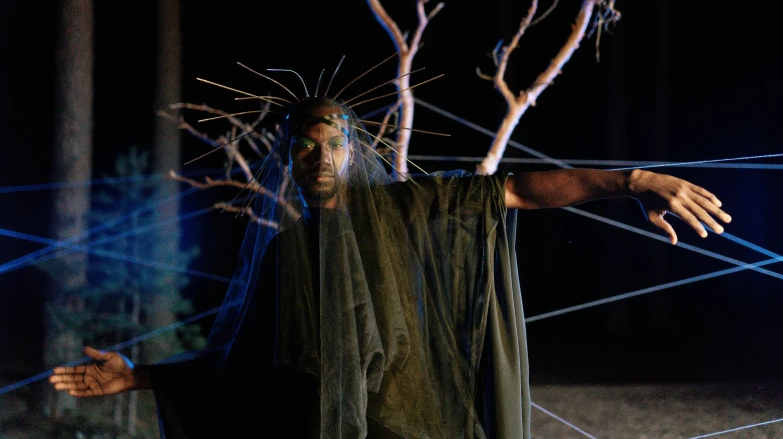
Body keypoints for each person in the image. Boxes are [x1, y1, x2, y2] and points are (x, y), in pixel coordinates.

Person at [49, 96, 730, 438]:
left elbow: (518, 190)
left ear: (350, 151)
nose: (317, 160)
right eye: (303, 148)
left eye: (330, 145)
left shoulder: (405, 208)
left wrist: (634, 179)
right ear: (286, 158)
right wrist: (139, 378)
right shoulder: (288, 253)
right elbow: (246, 366)